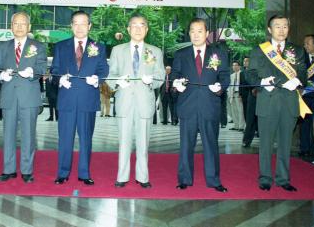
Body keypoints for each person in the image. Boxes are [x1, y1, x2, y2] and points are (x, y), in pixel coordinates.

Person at [247, 15, 308, 192]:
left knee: (285, 142)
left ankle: (283, 178)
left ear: (289, 29)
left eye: (285, 26)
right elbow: (250, 74)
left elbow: (303, 73)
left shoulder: (297, 50)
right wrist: (262, 82)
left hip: (289, 101)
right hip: (268, 100)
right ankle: (265, 178)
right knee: (265, 143)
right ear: (269, 29)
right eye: (277, 26)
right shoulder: (259, 50)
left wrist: (296, 81)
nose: (281, 30)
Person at [51, 10, 109, 186]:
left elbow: (103, 70)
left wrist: (97, 79)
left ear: (89, 26)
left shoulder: (98, 47)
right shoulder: (61, 46)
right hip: (67, 99)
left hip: (87, 99)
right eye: (76, 23)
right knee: (65, 138)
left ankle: (84, 173)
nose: (80, 27)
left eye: (83, 23)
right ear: (71, 26)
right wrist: (59, 79)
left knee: (86, 138)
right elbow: (54, 70)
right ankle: (62, 172)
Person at [172, 18, 229, 192]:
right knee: (186, 145)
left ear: (206, 33)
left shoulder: (218, 53)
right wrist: (176, 84)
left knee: (211, 144)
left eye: (199, 31)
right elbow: (174, 75)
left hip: (209, 105)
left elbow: (225, 76)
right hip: (187, 106)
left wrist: (220, 87)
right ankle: (184, 179)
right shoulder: (181, 54)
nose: (195, 34)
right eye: (192, 31)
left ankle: (213, 180)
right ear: (189, 33)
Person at [107, 13, 164, 188]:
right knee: (123, 142)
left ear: (146, 29)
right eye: (134, 25)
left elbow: (161, 76)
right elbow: (110, 76)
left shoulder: (155, 51)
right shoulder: (118, 50)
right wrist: (117, 81)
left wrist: (152, 81)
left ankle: (143, 177)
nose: (138, 29)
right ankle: (122, 177)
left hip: (144, 101)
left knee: (143, 142)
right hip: (124, 100)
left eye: (142, 26)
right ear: (128, 29)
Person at [0, 12, 47, 183]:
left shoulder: (38, 46)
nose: (19, 27)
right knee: (8, 134)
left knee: (28, 134)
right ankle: (8, 169)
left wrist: (32, 73)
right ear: (11, 26)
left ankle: (26, 170)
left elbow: (41, 67)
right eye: (15, 23)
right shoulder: (3, 46)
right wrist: (2, 76)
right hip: (9, 94)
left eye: (23, 23)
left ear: (29, 27)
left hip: (29, 95)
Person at [299, 34, 314, 157]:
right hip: (304, 96)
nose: (305, 46)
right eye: (304, 43)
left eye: (307, 43)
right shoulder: (301, 58)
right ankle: (304, 148)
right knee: (304, 123)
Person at [241, 57, 258, 147]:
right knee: (250, 119)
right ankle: (246, 140)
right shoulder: (248, 71)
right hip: (252, 96)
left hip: (264, 95)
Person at [227, 61, 245, 131]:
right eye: (233, 65)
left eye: (236, 65)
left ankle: (241, 126)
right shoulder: (232, 75)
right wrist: (229, 95)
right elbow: (230, 86)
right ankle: (236, 125)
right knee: (233, 111)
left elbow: (243, 85)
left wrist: (241, 94)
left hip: (239, 94)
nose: (234, 67)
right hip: (232, 94)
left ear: (239, 66)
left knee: (240, 111)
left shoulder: (242, 74)